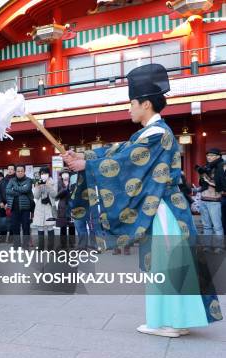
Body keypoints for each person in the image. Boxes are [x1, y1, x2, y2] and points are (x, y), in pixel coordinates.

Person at [64, 63, 222, 337]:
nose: (129, 108)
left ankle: (172, 322)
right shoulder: (152, 133)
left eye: (132, 103)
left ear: (146, 104)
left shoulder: (157, 134)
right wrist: (83, 158)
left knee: (166, 261)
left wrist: (87, 167)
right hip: (166, 206)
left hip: (163, 208)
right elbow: (120, 151)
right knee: (171, 260)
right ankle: (176, 320)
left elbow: (124, 161)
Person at [196, 148, 224, 253]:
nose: (209, 157)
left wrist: (207, 179)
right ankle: (207, 246)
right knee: (206, 226)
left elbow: (221, 185)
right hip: (203, 199)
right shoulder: (206, 167)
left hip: (215, 201)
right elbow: (201, 184)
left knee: (217, 226)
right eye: (208, 155)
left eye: (211, 155)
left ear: (218, 156)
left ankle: (219, 247)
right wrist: (201, 176)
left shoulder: (222, 167)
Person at [6, 165, 33, 247]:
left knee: (26, 227)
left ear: (24, 172)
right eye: (18, 171)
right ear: (16, 172)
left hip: (26, 208)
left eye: (22, 171)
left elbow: (26, 189)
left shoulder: (28, 180)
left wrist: (14, 188)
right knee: (15, 226)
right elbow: (7, 190)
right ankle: (16, 244)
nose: (20, 172)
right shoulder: (12, 180)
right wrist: (19, 191)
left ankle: (25, 245)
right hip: (14, 207)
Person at [32, 167, 57, 250]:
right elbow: (36, 196)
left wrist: (48, 186)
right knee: (40, 227)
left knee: (50, 227)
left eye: (45, 173)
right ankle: (41, 247)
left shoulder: (53, 183)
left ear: (48, 174)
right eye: (42, 174)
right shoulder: (38, 183)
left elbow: (55, 195)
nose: (43, 175)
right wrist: (38, 187)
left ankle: (50, 247)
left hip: (49, 207)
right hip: (40, 208)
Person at [55, 169, 75, 249]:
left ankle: (72, 243)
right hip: (62, 206)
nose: (65, 175)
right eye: (63, 173)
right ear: (61, 175)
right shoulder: (59, 183)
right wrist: (66, 189)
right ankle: (63, 243)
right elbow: (57, 195)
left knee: (72, 225)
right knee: (62, 226)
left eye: (67, 173)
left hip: (71, 206)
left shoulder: (73, 182)